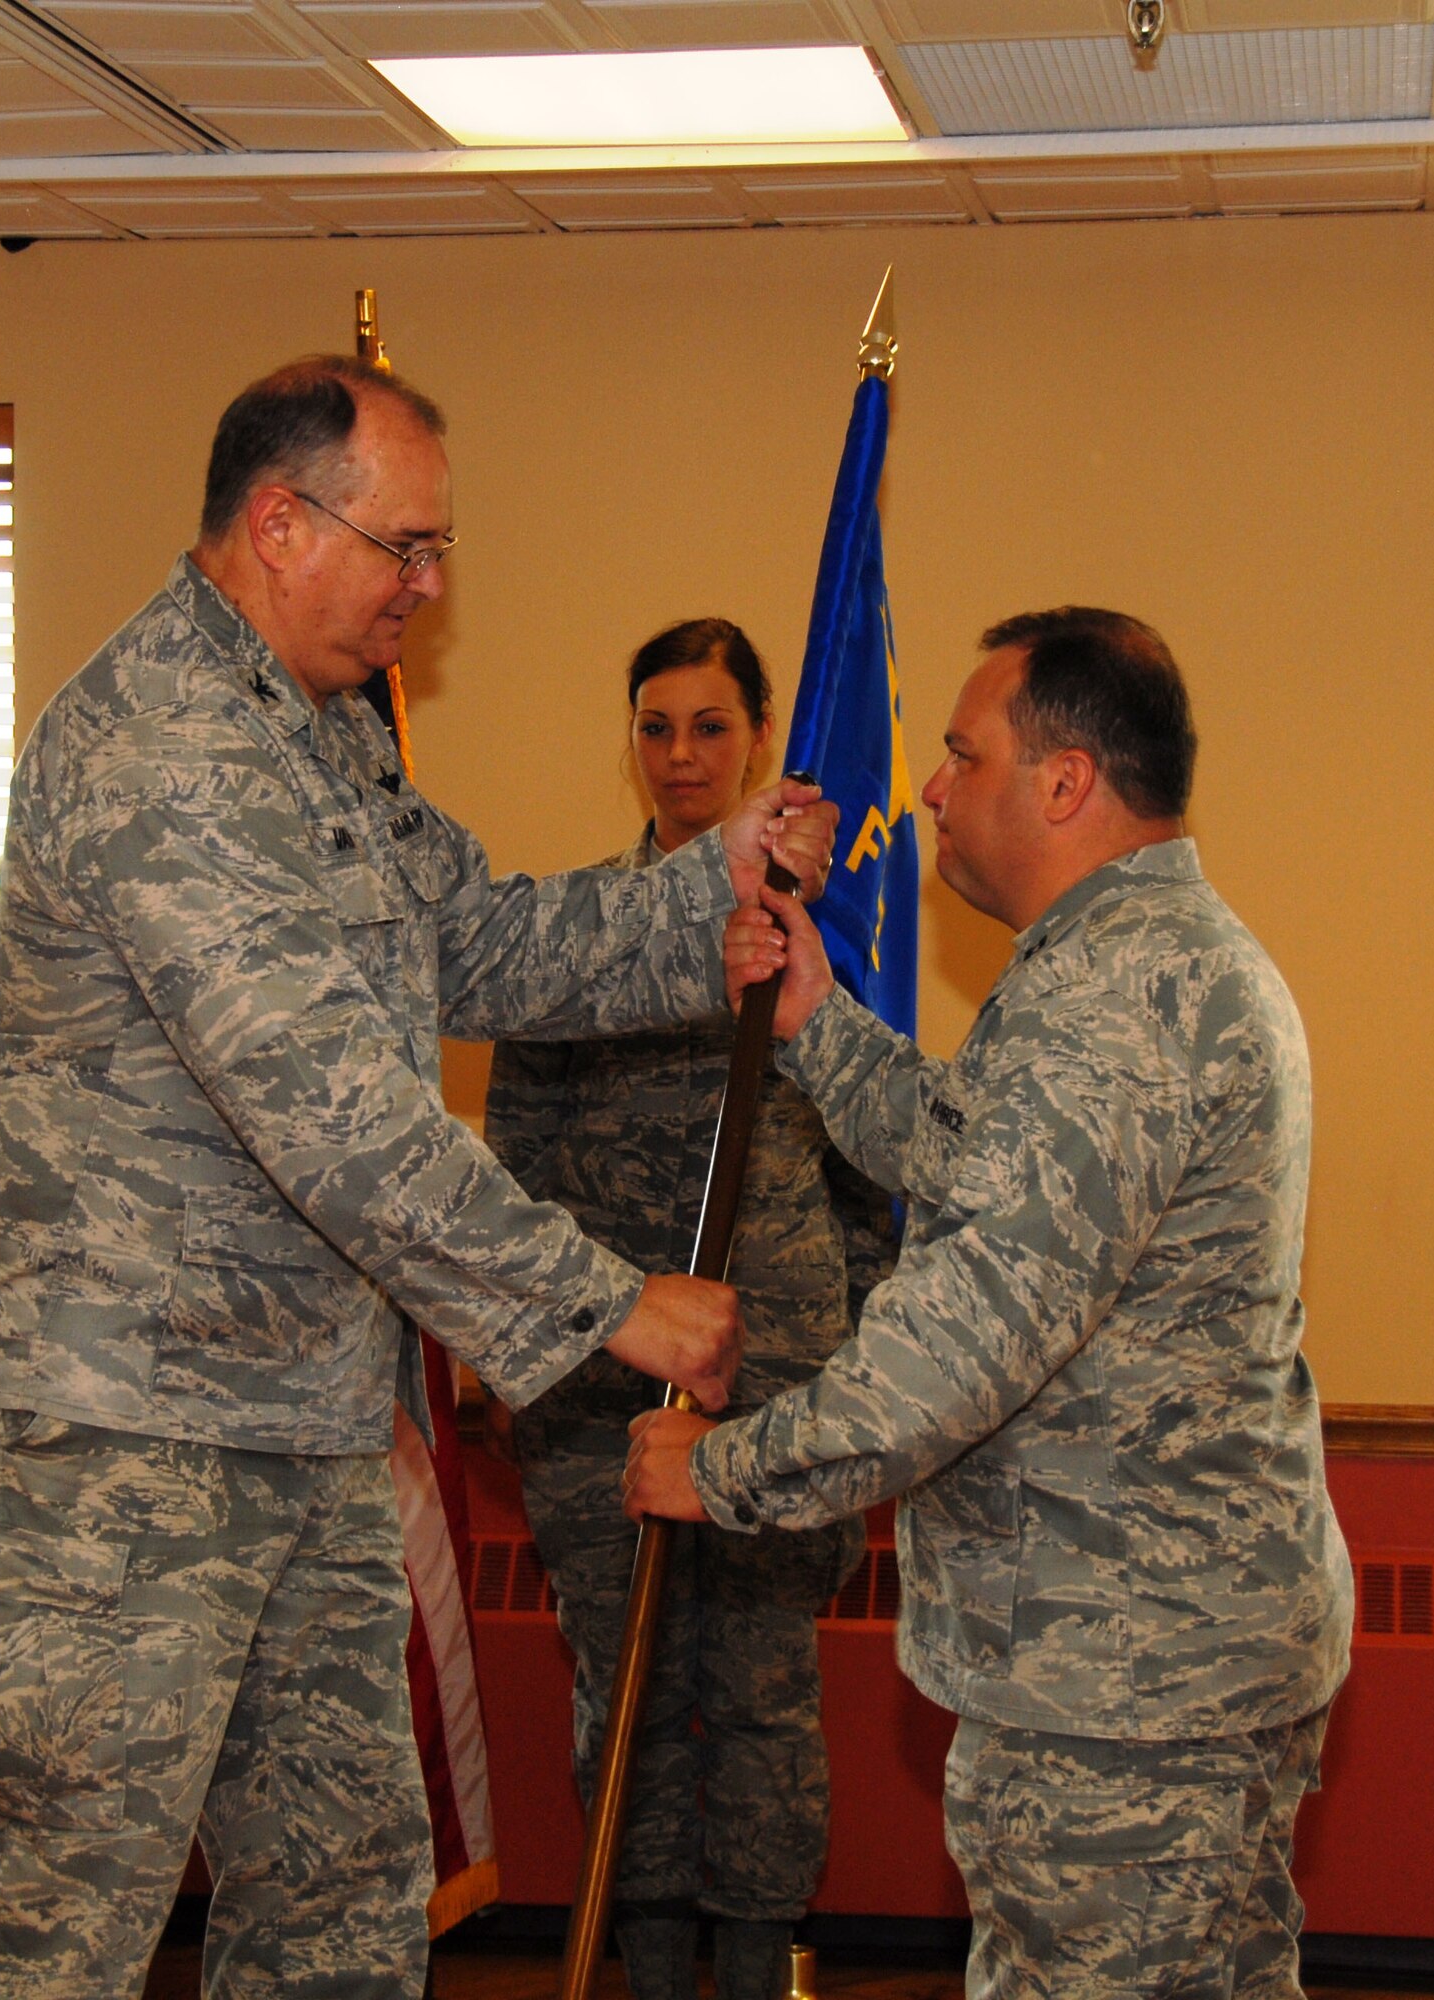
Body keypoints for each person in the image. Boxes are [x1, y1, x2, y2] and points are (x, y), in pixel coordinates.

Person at [0, 354, 836, 2000]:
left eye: (438, 549)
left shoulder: (324, 740)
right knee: (43, 1946)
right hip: (106, 1452)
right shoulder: (164, 746)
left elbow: (476, 940)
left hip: (300, 1434)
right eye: (405, 547)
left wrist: (712, 885)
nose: (430, 586)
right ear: (278, 524)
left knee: (339, 1911)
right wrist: (611, 1305)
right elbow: (338, 1118)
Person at [625, 608, 1355, 2000]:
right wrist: (818, 1029)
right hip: (1165, 1656)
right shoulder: (1136, 967)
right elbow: (970, 1156)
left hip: (1119, 1681)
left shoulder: (1115, 1003)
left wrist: (718, 1469)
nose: (929, 789)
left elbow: (950, 1348)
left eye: (963, 755)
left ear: (1065, 782)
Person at [484, 618, 895, 2000]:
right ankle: (647, 1961)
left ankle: (760, 1960)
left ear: (760, 742)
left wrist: (867, 1365)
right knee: (631, 1684)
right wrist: (522, 1353)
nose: (678, 756)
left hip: (778, 1376)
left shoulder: (817, 946)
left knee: (766, 1690)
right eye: (654, 727)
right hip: (603, 1376)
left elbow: (875, 1175)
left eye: (709, 727)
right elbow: (518, 1160)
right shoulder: (580, 942)